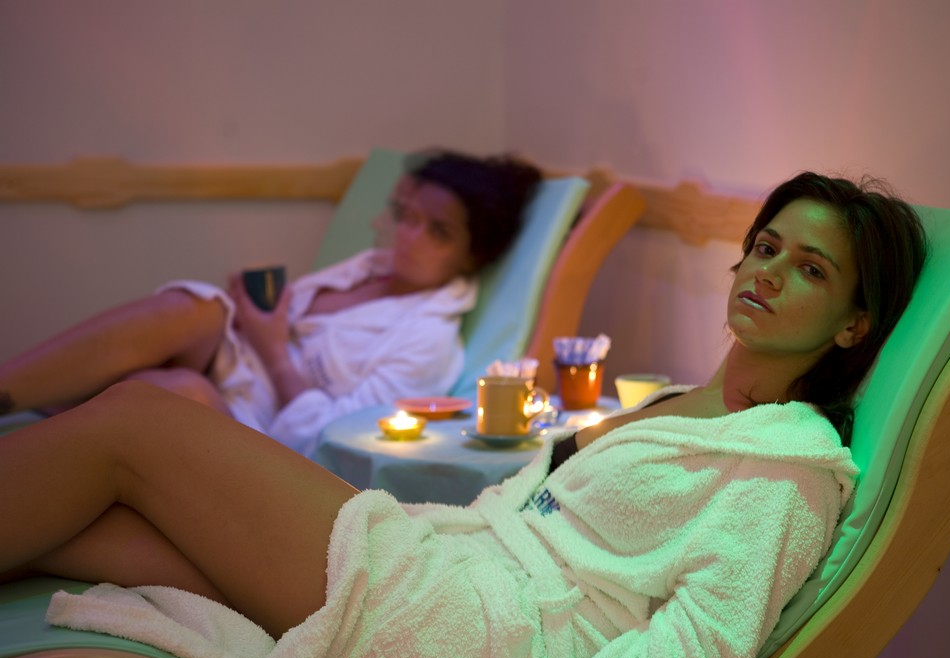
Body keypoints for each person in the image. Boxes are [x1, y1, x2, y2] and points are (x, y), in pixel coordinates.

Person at [0, 171, 928, 658]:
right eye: (765, 246)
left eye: (811, 269)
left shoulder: (785, 468)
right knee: (97, 530)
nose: (768, 272)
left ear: (855, 325)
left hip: (477, 634)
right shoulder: (689, 401)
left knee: (139, 420)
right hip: (455, 564)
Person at [0, 150, 543, 455]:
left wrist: (273, 349)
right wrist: (252, 317)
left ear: (473, 256)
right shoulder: (371, 267)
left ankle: (34, 450)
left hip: (259, 434)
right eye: (407, 216)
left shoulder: (427, 341)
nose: (407, 236)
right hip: (233, 365)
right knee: (195, 309)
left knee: (178, 390)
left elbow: (334, 441)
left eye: (437, 231)